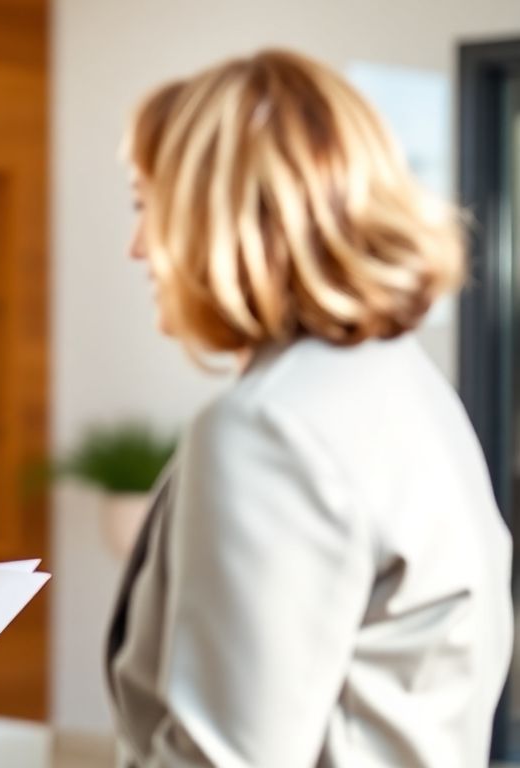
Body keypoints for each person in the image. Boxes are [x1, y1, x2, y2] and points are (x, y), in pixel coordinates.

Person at [107, 49, 513, 767]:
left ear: (218, 215)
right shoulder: (405, 387)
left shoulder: (267, 430)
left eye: (146, 206)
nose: (138, 247)